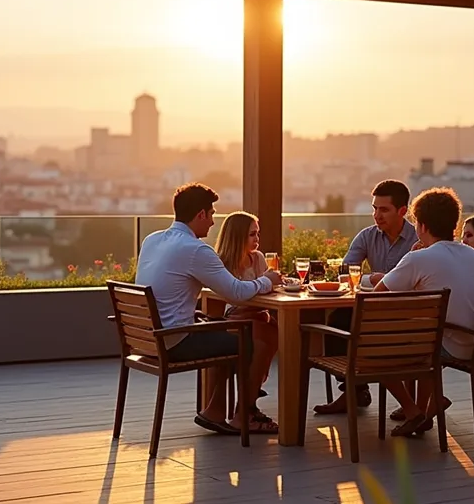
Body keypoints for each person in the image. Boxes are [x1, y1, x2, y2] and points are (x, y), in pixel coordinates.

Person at [136, 184, 284, 435]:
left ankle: (215, 411)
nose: (214, 222)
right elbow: (236, 292)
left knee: (228, 332)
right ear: (201, 214)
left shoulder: (153, 239)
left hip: (146, 337)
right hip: (173, 340)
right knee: (252, 339)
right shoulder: (196, 249)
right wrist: (268, 279)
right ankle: (244, 415)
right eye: (212, 214)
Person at [374, 187, 474, 437]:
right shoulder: (472, 255)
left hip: (444, 344)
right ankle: (424, 409)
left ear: (421, 225)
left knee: (373, 349)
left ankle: (413, 411)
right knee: (426, 335)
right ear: (454, 225)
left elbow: (376, 297)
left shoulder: (419, 258)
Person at [313, 179, 419, 415]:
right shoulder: (367, 236)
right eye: (374, 208)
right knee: (339, 319)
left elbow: (417, 281)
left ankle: (404, 401)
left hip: (407, 317)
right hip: (373, 310)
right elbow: (345, 272)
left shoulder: (417, 240)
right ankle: (354, 389)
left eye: (384, 209)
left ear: (402, 211)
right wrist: (375, 279)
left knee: (358, 325)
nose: (377, 215)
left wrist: (378, 279)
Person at [213, 211, 280, 419]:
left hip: (258, 314)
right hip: (235, 317)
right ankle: (248, 402)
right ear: (238, 236)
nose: (257, 239)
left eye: (258, 234)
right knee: (267, 334)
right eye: (252, 234)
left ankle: (251, 392)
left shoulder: (258, 258)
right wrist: (264, 284)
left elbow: (263, 288)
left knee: (274, 328)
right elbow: (237, 297)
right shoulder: (223, 262)